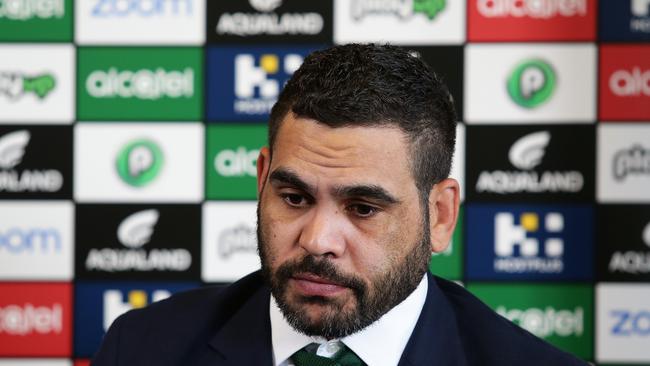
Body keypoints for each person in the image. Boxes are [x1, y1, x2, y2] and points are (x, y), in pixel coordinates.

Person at [91, 44, 588, 366]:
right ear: (262, 180)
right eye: (294, 197)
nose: (317, 240)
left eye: (363, 208)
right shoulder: (141, 349)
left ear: (440, 216)